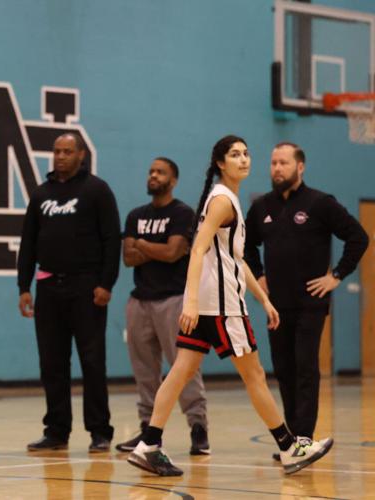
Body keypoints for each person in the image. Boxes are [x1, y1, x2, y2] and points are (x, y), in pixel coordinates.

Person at [126, 135, 333, 477]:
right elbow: (196, 249)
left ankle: (148, 444)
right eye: (235, 154)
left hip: (211, 304)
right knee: (254, 375)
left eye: (246, 153)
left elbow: (234, 259)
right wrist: (191, 302)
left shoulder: (225, 199)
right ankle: (289, 447)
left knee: (180, 372)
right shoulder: (223, 200)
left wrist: (263, 299)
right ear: (221, 163)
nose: (244, 159)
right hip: (222, 307)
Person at [244, 142, 368, 459]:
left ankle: (303, 439)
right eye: (273, 163)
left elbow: (358, 237)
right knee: (284, 370)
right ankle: (290, 444)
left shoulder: (320, 203)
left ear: (300, 167)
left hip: (310, 303)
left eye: (283, 163)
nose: (277, 168)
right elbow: (245, 247)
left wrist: (336, 275)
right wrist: (258, 276)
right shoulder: (261, 207)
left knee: (305, 367)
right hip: (276, 305)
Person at [17, 132, 121, 453]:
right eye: (57, 151)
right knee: (52, 363)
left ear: (80, 155)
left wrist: (106, 283)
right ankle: (57, 431)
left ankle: (100, 431)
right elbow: (28, 242)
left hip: (87, 288)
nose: (60, 156)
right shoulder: (41, 194)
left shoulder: (97, 190)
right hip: (48, 288)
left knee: (92, 361)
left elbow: (111, 240)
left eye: (67, 151)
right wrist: (24, 286)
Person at [118, 157, 209, 455]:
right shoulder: (136, 215)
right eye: (151, 171)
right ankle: (148, 431)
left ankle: (198, 427)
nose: (153, 175)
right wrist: (156, 248)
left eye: (160, 172)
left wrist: (142, 244)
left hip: (173, 300)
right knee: (144, 370)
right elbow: (128, 258)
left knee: (184, 366)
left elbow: (173, 253)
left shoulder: (183, 213)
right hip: (139, 301)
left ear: (174, 180)